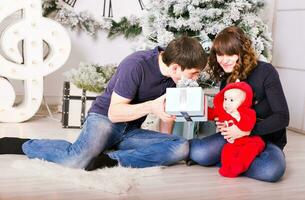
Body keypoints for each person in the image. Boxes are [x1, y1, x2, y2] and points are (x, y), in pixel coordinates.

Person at [0, 36, 208, 170]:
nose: (195, 78)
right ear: (175, 67)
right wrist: (151, 107)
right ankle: (20, 144)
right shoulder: (136, 65)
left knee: (180, 147)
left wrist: (163, 145)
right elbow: (114, 113)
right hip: (104, 119)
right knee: (76, 160)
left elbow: (166, 117)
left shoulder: (175, 79)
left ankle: (108, 159)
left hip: (131, 130)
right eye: (193, 73)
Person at [189, 26, 289, 182]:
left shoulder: (265, 72)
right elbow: (224, 114)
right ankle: (233, 162)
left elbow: (282, 117)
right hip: (234, 141)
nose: (224, 60)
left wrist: (248, 131)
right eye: (219, 54)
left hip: (264, 139)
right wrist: (223, 124)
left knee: (271, 171)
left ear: (242, 53)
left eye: (231, 54)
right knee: (199, 153)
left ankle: (229, 163)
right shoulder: (226, 78)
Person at [208, 81, 265, 177]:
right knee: (226, 151)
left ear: (243, 102)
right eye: (225, 99)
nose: (227, 103)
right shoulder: (223, 111)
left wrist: (237, 115)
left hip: (250, 141)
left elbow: (248, 126)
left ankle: (238, 167)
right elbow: (211, 113)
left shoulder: (247, 112)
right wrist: (202, 108)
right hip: (233, 143)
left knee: (246, 153)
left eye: (231, 100)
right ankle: (227, 167)